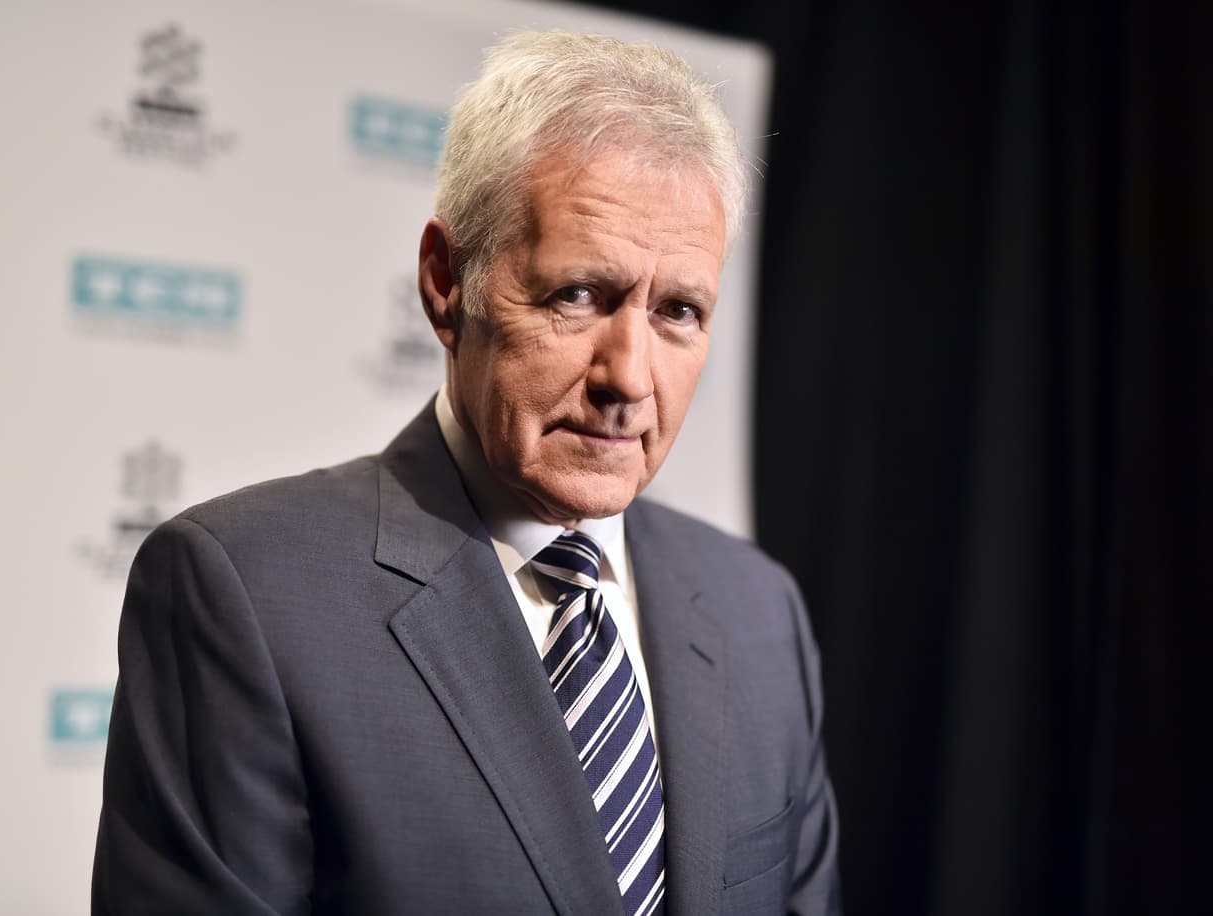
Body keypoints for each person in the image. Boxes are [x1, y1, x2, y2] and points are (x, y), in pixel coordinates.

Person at [92, 29, 840, 916]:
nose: (628, 379)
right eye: (579, 295)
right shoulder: (244, 593)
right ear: (448, 283)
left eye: (679, 311)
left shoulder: (760, 613)